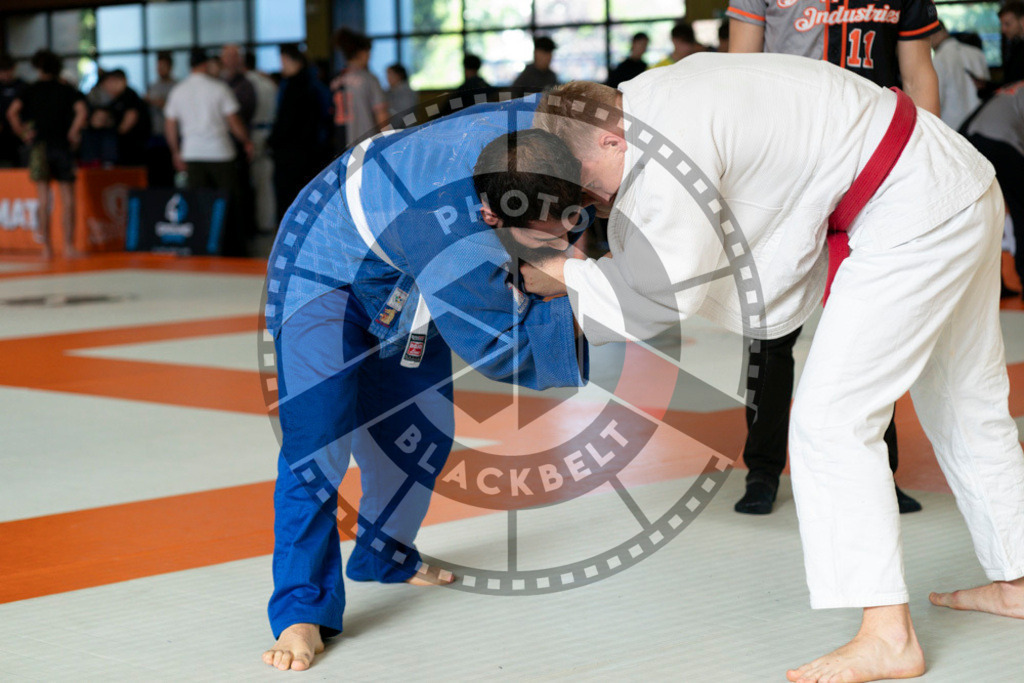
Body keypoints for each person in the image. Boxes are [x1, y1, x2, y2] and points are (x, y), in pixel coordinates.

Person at [506, 53, 1024, 683]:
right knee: (967, 399)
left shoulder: (669, 148)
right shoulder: (651, 97)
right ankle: (1018, 581)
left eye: (588, 180)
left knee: (832, 422)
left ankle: (888, 637)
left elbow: (666, 290)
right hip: (952, 180)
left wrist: (564, 273)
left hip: (912, 207)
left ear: (611, 137)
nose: (593, 199)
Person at [261, 99, 587, 672]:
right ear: (492, 217)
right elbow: (501, 346)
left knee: (423, 431)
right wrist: (587, 300)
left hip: (399, 268)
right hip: (323, 266)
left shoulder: (549, 137)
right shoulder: (451, 237)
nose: (562, 235)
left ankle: (383, 556)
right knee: (319, 443)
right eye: (544, 230)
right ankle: (299, 610)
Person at [726, 0, 940, 515]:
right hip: (788, 174)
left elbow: (918, 74)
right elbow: (741, 77)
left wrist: (928, 160)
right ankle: (762, 470)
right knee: (771, 333)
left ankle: (878, 471)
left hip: (876, 174)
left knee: (874, 331)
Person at [164, 48, 254, 256]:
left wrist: (175, 152)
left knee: (198, 203)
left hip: (192, 153)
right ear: (206, 65)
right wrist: (246, 141)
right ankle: (232, 248)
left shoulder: (179, 90)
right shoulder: (219, 88)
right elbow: (233, 122)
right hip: (221, 153)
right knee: (230, 202)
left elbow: (170, 125)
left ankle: (201, 246)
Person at [6, 49, 87, 258]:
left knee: (43, 198)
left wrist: (23, 133)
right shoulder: (65, 89)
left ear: (37, 67)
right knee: (67, 197)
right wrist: (73, 132)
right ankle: (68, 247)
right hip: (61, 146)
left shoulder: (30, 89)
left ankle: (47, 248)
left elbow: (12, 112)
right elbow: (82, 111)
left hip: (39, 147)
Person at [965, 81, 1024, 292]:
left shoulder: (1012, 88)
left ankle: (990, 284)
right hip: (1000, 143)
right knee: (1020, 212)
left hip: (972, 140)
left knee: (985, 214)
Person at [269, 44, 332, 224]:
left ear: (289, 60)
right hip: (312, 152)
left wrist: (273, 142)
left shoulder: (294, 87)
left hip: (292, 154)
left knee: (288, 200)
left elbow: (287, 122)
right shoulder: (315, 83)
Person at [331, 28, 389, 152]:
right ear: (362, 53)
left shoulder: (335, 80)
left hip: (340, 145)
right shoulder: (369, 79)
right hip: (366, 144)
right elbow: (381, 115)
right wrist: (388, 141)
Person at [930, 22, 989, 129]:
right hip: (981, 125)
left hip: (952, 128)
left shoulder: (938, 60)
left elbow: (936, 100)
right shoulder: (977, 53)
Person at [244, 51, 278, 234]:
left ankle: (254, 223)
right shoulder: (268, 82)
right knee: (265, 181)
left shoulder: (246, 82)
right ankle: (267, 221)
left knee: (251, 182)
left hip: (252, 133)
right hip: (269, 131)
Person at [99, 69, 151, 165]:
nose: (106, 87)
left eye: (109, 83)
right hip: (123, 150)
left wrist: (115, 133)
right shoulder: (115, 100)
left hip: (134, 149)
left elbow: (130, 118)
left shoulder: (129, 96)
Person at [145, 51, 177, 187]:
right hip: (155, 135)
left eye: (163, 67)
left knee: (169, 174)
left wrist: (157, 102)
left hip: (171, 136)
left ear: (170, 67)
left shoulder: (177, 87)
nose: (160, 70)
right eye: (158, 67)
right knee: (155, 175)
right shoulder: (153, 86)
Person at [0, 53, 27, 167]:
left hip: (19, 135)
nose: (5, 74)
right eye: (2, 71)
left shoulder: (23, 87)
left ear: (13, 69)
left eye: (7, 70)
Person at [1000, 2, 1024, 84]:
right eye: (1002, 24)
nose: (1003, 29)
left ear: (1022, 21)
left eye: (1007, 24)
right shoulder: (1016, 46)